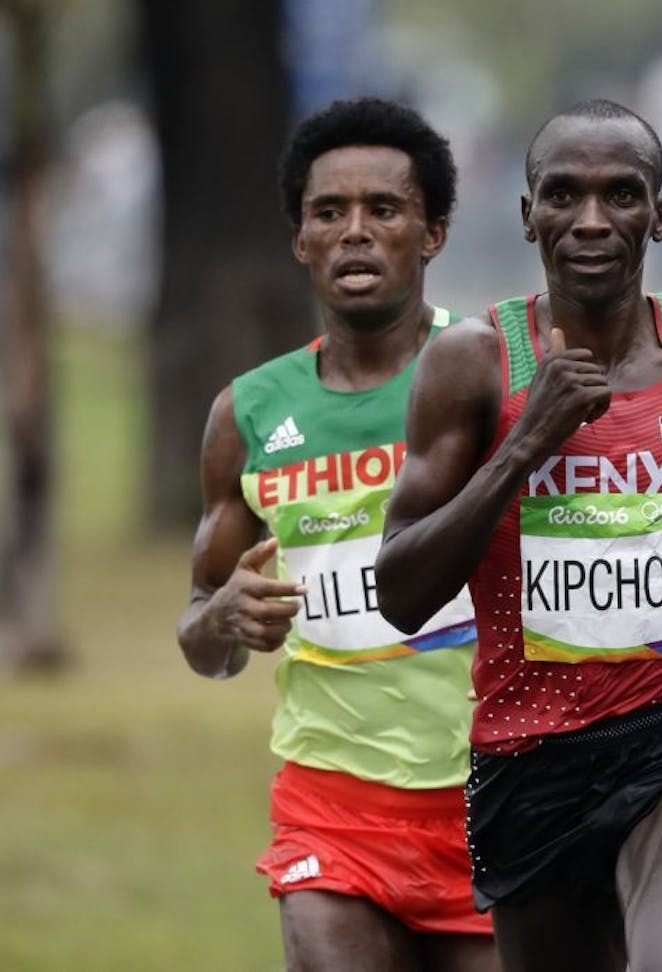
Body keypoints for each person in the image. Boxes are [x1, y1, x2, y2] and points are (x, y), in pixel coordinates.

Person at [374, 98, 662, 972]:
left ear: (658, 215)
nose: (590, 221)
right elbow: (400, 592)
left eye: (621, 195)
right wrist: (523, 445)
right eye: (563, 195)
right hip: (529, 750)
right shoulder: (471, 364)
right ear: (527, 210)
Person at [177, 97, 499, 971]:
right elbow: (204, 637)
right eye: (330, 213)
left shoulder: (497, 374)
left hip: (496, 793)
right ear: (300, 239)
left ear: (431, 234)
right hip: (333, 804)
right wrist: (225, 617)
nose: (355, 232)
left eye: (383, 211)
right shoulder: (246, 414)